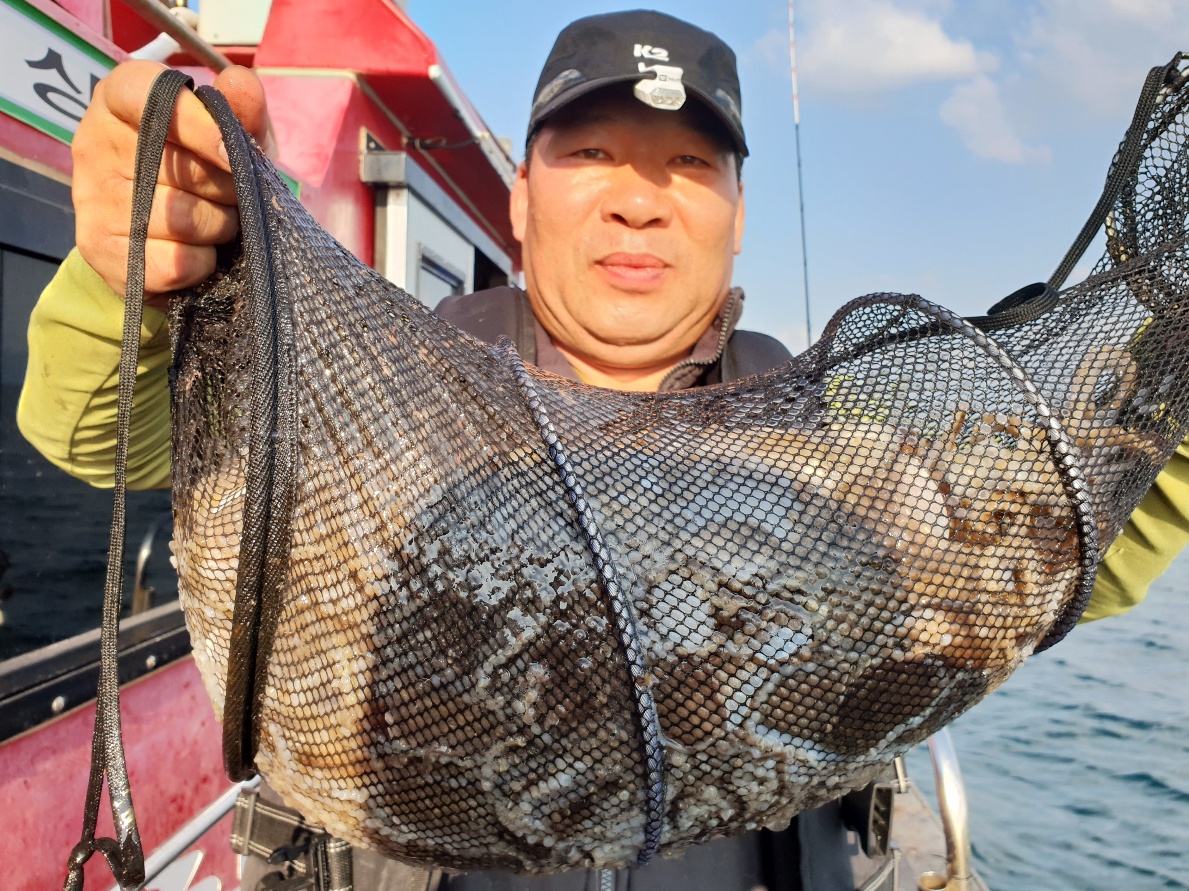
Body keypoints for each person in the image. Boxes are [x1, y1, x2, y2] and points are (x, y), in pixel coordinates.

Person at [16, 9, 1189, 891]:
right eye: (590, 155)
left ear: (735, 216)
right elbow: (96, 433)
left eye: (688, 166)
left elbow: (1080, 536)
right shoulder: (363, 400)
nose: (640, 202)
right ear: (520, 201)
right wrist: (140, 273)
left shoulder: (835, 440)